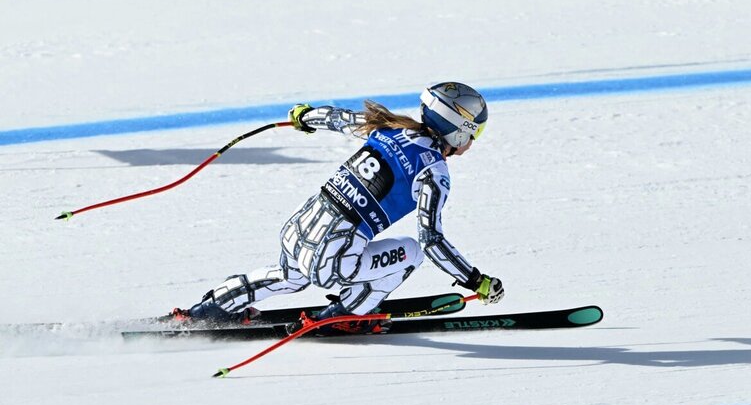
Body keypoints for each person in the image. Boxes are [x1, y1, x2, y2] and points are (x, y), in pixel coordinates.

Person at [174, 82, 504, 332]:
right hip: (333, 257)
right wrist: (475, 280)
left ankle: (207, 310)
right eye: (475, 133)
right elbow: (431, 239)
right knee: (412, 253)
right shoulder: (435, 171)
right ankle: (346, 317)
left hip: (297, 231)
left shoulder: (391, 126)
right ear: (459, 133)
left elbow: (338, 119)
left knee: (291, 275)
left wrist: (305, 117)